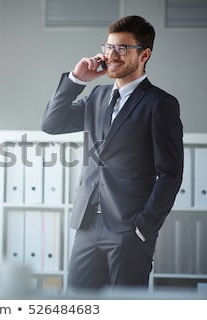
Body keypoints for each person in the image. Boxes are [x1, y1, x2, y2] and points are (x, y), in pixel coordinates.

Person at [41, 15, 183, 291]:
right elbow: (51, 124)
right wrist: (76, 80)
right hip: (87, 225)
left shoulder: (159, 104)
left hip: (128, 229)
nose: (111, 55)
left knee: (124, 309)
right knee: (78, 304)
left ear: (145, 54)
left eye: (122, 48)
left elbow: (170, 174)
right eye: (108, 47)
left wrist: (143, 227)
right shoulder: (97, 97)